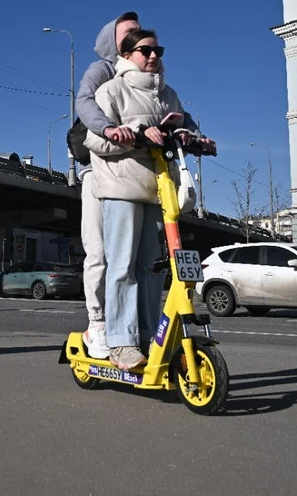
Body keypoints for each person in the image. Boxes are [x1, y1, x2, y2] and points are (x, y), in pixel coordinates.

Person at [84, 29, 215, 370]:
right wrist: (136, 136)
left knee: (152, 270)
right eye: (145, 50)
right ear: (127, 55)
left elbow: (183, 129)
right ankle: (121, 341)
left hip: (158, 191)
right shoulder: (111, 91)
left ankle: (147, 336)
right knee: (122, 267)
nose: (154, 56)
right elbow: (95, 142)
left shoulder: (168, 95)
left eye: (158, 50)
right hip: (121, 190)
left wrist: (191, 137)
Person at [74, 12, 141, 359]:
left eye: (139, 31)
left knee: (134, 257)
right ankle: (97, 325)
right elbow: (83, 102)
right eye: (129, 31)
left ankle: (130, 327)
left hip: (135, 177)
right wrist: (106, 128)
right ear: (112, 40)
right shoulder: (102, 70)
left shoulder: (144, 74)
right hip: (98, 173)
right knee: (98, 250)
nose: (136, 35)